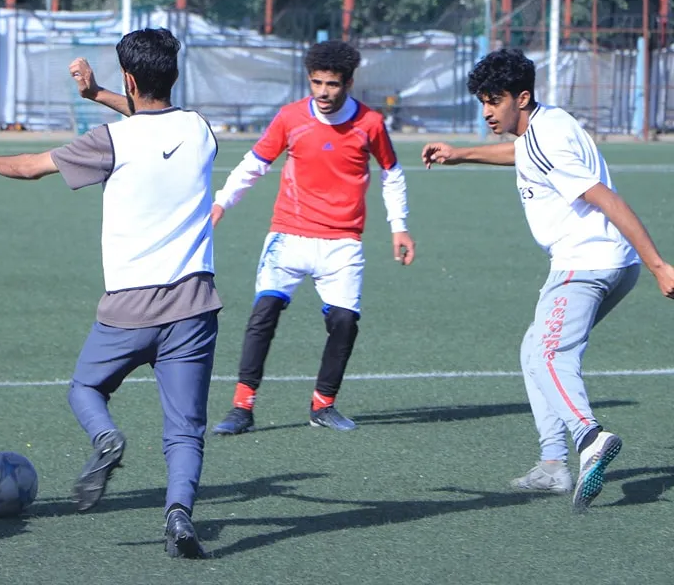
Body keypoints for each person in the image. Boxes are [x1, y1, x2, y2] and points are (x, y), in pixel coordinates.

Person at [0, 28, 220, 559]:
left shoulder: (110, 142)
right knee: (185, 429)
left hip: (127, 309)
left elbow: (31, 168)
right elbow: (152, 116)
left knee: (85, 389)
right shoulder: (200, 129)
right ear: (173, 73)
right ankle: (178, 514)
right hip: (194, 306)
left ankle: (106, 439)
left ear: (129, 77)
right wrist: (99, 93)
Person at [422, 48, 674, 512]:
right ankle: (554, 465)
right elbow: (520, 152)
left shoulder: (546, 142)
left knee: (549, 353)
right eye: (482, 101)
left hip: (585, 263)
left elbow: (608, 200)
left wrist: (659, 264)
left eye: (494, 101)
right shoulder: (547, 122)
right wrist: (464, 154)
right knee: (533, 347)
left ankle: (588, 437)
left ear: (521, 97)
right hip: (608, 263)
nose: (486, 112)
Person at [211, 40, 415, 436]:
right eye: (316, 83)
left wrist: (399, 226)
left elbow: (392, 173)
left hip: (342, 242)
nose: (323, 92)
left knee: (343, 322)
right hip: (288, 236)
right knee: (263, 315)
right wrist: (222, 203)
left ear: (349, 83)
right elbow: (254, 165)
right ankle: (241, 407)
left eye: (333, 84)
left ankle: (323, 404)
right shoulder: (290, 118)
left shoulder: (370, 124)